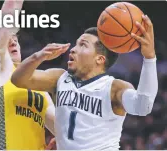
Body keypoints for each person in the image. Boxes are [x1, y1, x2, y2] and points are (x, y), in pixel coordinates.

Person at [11, 14, 158, 150]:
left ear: (100, 59)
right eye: (76, 44)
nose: (73, 49)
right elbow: (18, 80)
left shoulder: (114, 88)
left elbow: (143, 106)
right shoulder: (59, 78)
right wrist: (39, 56)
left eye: (83, 45)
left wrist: (149, 58)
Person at [0, 0, 55, 150]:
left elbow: (61, 126)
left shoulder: (38, 85)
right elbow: (10, 9)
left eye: (16, 39)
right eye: (8, 38)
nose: (13, 41)